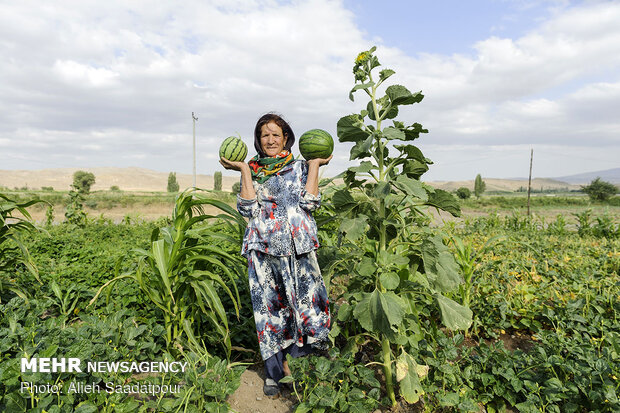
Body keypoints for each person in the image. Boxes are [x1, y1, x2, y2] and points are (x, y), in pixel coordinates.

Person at [220, 113, 332, 396]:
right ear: (258, 140)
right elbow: (247, 209)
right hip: (264, 248)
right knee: (269, 312)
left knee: (303, 308)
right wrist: (244, 170)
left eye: (275, 134)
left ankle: (296, 368)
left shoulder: (300, 167)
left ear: (286, 139)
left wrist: (315, 164)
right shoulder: (254, 170)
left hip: (299, 249)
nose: (270, 140)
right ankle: (273, 373)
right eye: (264, 135)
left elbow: (310, 202)